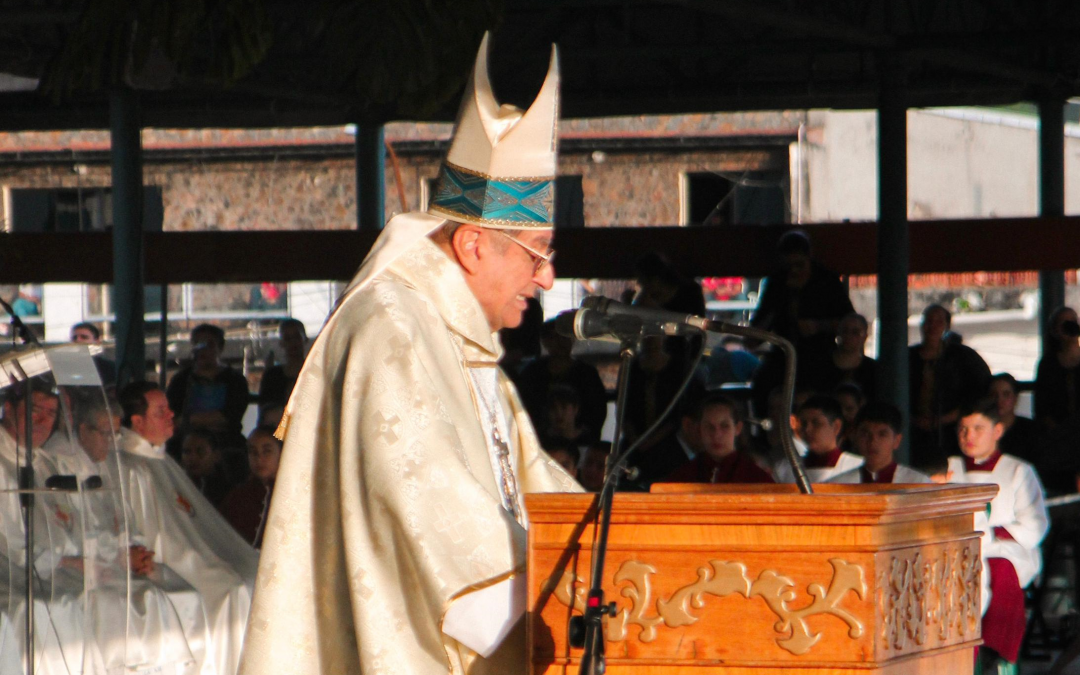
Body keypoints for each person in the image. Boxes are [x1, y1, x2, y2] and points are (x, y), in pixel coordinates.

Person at [238, 34, 580, 675]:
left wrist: (618, 546)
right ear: (476, 245)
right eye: (538, 253)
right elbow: (428, 505)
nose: (548, 278)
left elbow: (533, 484)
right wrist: (562, 601)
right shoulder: (391, 329)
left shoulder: (460, 339)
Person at [119, 381, 258, 675]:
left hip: (196, 551)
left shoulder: (160, 459)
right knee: (231, 589)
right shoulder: (130, 466)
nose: (172, 415)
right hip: (167, 559)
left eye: (169, 408)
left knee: (254, 574)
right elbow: (140, 528)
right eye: (161, 411)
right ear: (137, 421)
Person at [947, 398, 1048, 672]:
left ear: (998, 431)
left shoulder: (1018, 470)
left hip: (1006, 550)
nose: (969, 436)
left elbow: (1035, 524)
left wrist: (989, 531)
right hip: (956, 549)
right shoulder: (948, 469)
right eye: (963, 429)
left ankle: (996, 655)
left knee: (998, 571)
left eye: (978, 428)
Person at [749, 230, 854, 415]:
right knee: (761, 385)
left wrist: (819, 326)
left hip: (820, 355)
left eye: (799, 265)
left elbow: (848, 321)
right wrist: (782, 299)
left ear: (809, 257)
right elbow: (759, 326)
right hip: (782, 355)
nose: (794, 271)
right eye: (789, 266)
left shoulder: (826, 281)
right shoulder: (777, 283)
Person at [908, 304, 991, 469]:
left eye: (938, 322)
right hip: (912, 433)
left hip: (953, 432)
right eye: (928, 321)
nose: (932, 326)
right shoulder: (907, 357)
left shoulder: (964, 357)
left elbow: (981, 392)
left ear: (947, 326)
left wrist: (948, 418)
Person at [513, 318, 608, 444]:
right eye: (554, 337)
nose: (560, 343)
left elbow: (597, 412)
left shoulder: (586, 374)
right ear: (545, 342)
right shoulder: (533, 373)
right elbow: (522, 407)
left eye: (565, 337)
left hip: (579, 443)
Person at [165, 323, 251, 455]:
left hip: (226, 443)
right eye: (198, 344)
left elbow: (230, 417)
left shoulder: (235, 380)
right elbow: (173, 416)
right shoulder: (180, 380)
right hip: (185, 442)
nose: (202, 350)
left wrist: (189, 420)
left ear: (220, 348)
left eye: (209, 344)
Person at [664, 394, 773, 484]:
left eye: (724, 426)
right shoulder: (683, 477)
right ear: (700, 430)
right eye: (709, 427)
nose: (716, 435)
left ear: (737, 428)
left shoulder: (756, 478)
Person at [832, 402, 930, 484]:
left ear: (896, 440)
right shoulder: (838, 485)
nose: (873, 441)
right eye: (866, 434)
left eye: (882, 434)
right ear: (855, 437)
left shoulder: (918, 484)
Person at [774, 394, 863, 483]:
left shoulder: (858, 466)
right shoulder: (785, 469)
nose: (807, 430)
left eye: (816, 423)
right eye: (804, 423)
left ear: (836, 426)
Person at [221, 427, 282, 548]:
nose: (259, 458)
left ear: (281, 453)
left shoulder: (293, 495)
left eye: (267, 451)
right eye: (253, 452)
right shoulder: (237, 497)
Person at [800, 312, 876, 400]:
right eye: (845, 331)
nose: (848, 336)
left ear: (865, 337)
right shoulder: (819, 365)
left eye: (855, 332)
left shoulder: (872, 369)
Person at [1034, 306, 1080, 429]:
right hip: (1058, 433)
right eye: (1064, 323)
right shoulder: (1048, 364)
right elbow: (1042, 406)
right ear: (1055, 331)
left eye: (1073, 322)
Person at [257, 318, 308, 418]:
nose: (293, 343)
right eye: (288, 338)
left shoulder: (317, 373)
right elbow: (265, 411)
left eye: (296, 337)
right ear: (281, 343)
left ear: (305, 339)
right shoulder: (272, 376)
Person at [990, 373, 1039, 468]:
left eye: (1006, 394)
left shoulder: (1032, 430)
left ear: (1016, 398)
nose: (999, 400)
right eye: (994, 395)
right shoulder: (982, 430)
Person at [180, 428, 234, 508]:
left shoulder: (228, 493)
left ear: (216, 455)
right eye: (187, 452)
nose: (192, 458)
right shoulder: (177, 483)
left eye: (200, 452)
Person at [70, 321, 118, 388]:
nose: (78, 340)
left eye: (84, 337)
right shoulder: (66, 367)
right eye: (74, 338)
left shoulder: (110, 368)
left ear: (97, 342)